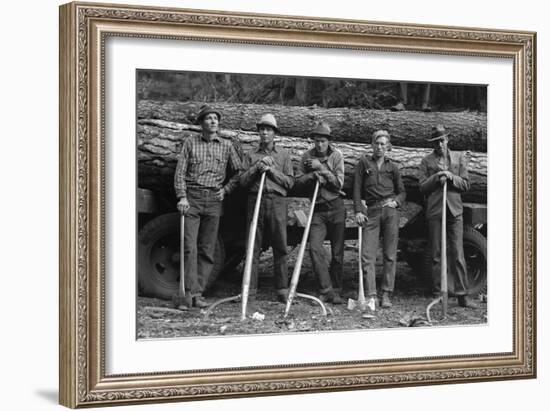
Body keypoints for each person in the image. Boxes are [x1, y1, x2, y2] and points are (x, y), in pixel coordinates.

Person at [174, 104, 243, 309]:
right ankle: (186, 295)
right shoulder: (190, 143)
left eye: (215, 118)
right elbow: (180, 172)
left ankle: (198, 294)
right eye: (208, 118)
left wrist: (227, 189)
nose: (213, 121)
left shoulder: (227, 145)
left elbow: (239, 172)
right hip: (192, 199)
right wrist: (182, 197)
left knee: (207, 249)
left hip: (214, 199)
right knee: (189, 247)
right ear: (201, 123)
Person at [419, 125, 478, 308]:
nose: (440, 144)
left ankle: (462, 295)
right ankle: (438, 294)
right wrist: (437, 177)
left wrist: (451, 177)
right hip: (436, 211)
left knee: (457, 253)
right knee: (436, 254)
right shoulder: (426, 161)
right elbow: (422, 187)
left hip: (454, 212)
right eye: (436, 142)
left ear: (448, 140)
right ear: (433, 144)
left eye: (442, 140)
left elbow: (466, 184)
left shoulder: (458, 158)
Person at [239, 114, 294, 303]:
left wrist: (271, 171)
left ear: (274, 133)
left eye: (268, 129)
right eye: (262, 129)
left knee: (280, 246)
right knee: (252, 246)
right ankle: (249, 291)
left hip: (277, 202)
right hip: (256, 201)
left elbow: (289, 183)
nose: (264, 132)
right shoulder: (251, 155)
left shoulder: (284, 155)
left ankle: (282, 290)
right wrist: (257, 167)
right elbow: (242, 182)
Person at [353, 130, 406, 308]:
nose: (380, 147)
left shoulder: (393, 167)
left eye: (383, 144)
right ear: (372, 145)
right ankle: (371, 295)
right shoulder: (364, 163)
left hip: (390, 211)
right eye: (377, 143)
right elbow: (357, 189)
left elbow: (402, 192)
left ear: (388, 147)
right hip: (372, 211)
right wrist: (359, 211)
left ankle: (386, 294)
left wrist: (396, 202)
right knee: (367, 255)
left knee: (390, 254)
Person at [295, 122, 346, 304]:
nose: (319, 145)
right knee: (315, 248)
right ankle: (326, 289)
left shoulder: (337, 156)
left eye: (323, 141)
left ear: (329, 141)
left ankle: (337, 289)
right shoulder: (306, 156)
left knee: (338, 252)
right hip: (318, 209)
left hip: (336, 207)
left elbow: (339, 184)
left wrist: (321, 168)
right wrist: (311, 176)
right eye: (317, 141)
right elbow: (298, 181)